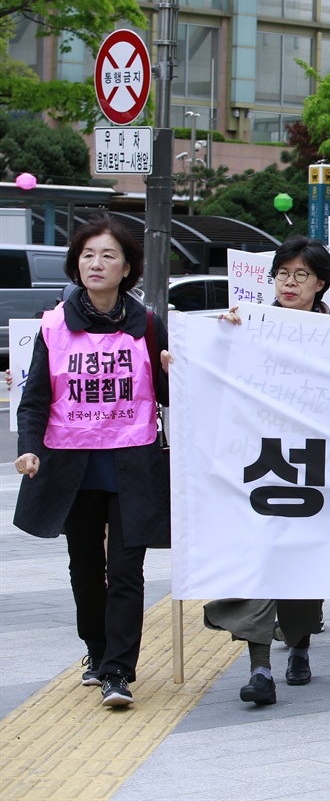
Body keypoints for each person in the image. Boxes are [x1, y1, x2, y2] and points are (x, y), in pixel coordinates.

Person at [13, 215, 171, 709]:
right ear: (76, 264)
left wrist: (174, 372)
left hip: (133, 466)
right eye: (87, 255)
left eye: (108, 256)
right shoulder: (55, 325)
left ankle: (119, 671)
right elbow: (36, 396)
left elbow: (166, 395)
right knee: (84, 567)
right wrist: (29, 446)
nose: (96, 264)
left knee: (126, 570)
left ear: (127, 268)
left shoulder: (146, 323)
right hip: (72, 468)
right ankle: (96, 651)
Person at [204, 236, 330, 706]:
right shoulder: (247, 324)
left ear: (320, 283)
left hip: (317, 467)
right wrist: (214, 340)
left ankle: (300, 644)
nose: (289, 282)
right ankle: (260, 667)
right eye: (283, 273)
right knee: (260, 558)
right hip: (259, 463)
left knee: (302, 563)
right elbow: (210, 371)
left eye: (300, 274)